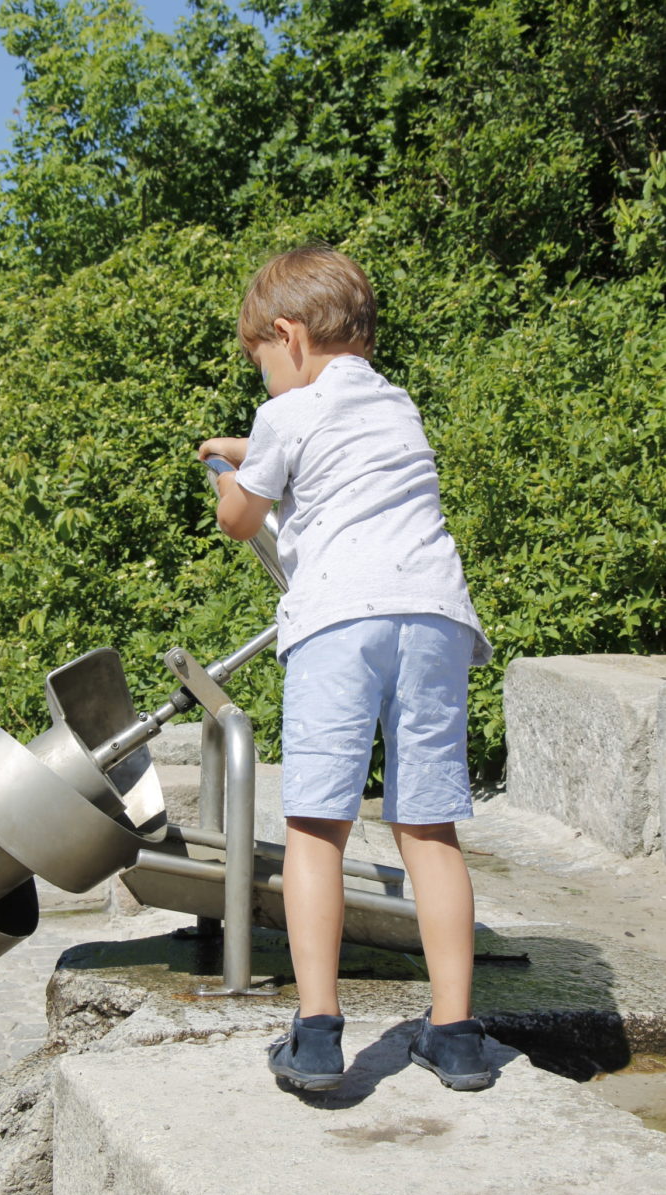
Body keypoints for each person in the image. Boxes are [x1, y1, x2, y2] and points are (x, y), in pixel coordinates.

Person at [198, 245, 493, 1093]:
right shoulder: (395, 404)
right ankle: (457, 1034)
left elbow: (238, 515)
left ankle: (319, 1033)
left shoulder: (289, 415)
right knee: (429, 827)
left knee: (316, 825)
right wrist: (251, 442)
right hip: (433, 615)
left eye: (262, 364)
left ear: (287, 336)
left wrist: (225, 468)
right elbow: (319, 454)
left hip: (339, 620)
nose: (266, 384)